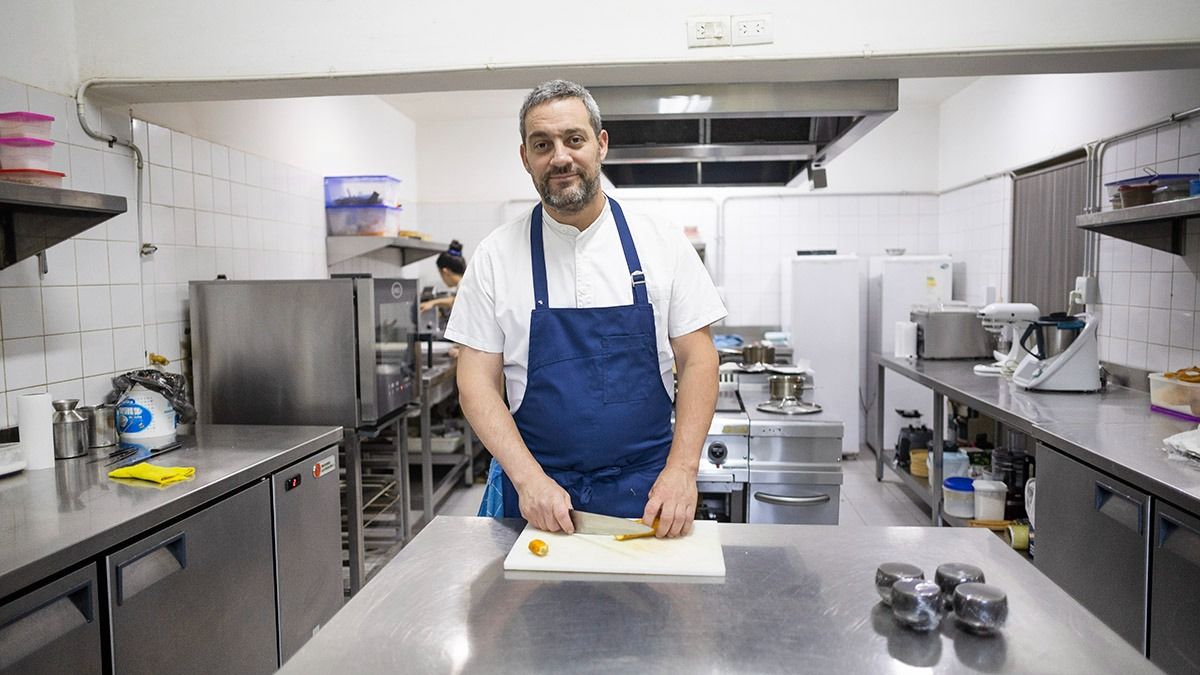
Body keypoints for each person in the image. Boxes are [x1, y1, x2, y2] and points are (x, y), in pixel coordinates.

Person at [444, 80, 726, 538]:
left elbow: (699, 358)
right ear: (525, 158)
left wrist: (682, 471)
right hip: (536, 497)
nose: (560, 157)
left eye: (574, 139)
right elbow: (476, 380)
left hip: (648, 496)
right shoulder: (496, 255)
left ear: (601, 144)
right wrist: (528, 479)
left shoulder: (661, 242)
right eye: (542, 144)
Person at [419, 240, 467, 315]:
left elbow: (454, 302)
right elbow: (454, 301)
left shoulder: (464, 286)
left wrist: (432, 303)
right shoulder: (465, 283)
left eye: (440, 273)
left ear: (445, 272)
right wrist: (432, 303)